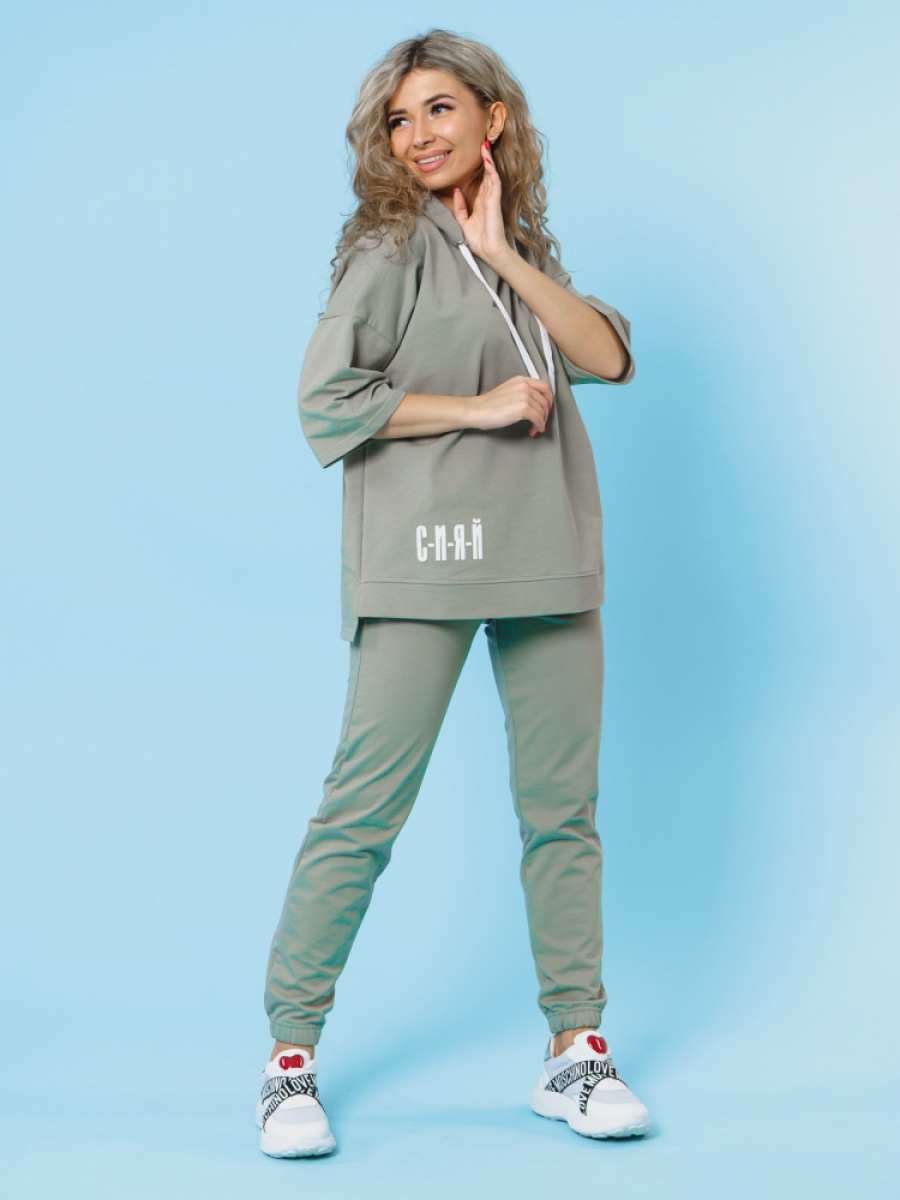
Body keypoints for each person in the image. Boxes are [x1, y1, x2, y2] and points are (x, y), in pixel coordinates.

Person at [256, 29, 653, 1158]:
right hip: (425, 555)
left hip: (545, 552)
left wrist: (504, 252)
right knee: (363, 810)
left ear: (494, 119)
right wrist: (477, 408)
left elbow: (608, 357)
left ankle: (575, 1048)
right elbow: (326, 399)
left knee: (561, 813)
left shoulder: (514, 246)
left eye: (439, 108)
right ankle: (289, 1060)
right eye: (399, 118)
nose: (418, 134)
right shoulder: (389, 249)